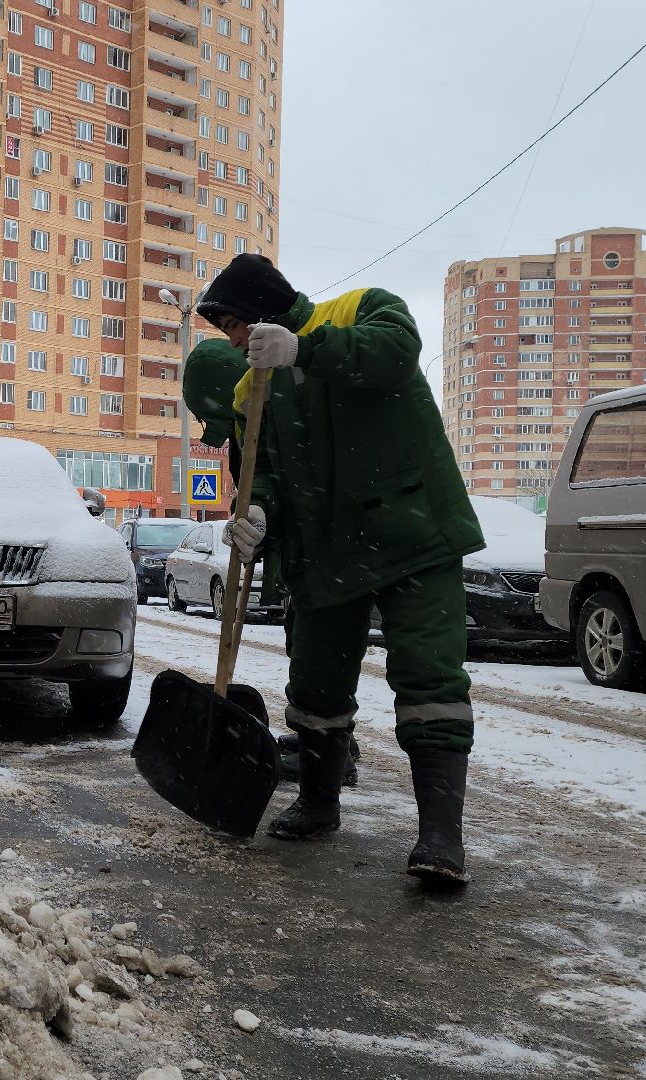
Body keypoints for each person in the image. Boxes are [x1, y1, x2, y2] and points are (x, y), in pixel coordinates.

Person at [194, 253, 485, 885]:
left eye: (237, 324)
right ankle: (319, 802)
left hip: (413, 531)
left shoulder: (363, 309)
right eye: (226, 332)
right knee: (318, 681)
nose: (236, 340)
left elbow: (395, 354)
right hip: (327, 550)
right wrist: (261, 516)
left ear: (263, 308)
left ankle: (440, 835)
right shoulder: (252, 390)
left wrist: (305, 347)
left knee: (429, 676)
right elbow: (262, 470)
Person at [181, 336, 361, 789]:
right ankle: (313, 742)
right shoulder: (245, 426)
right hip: (294, 555)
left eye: (208, 411)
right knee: (299, 642)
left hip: (321, 555)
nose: (210, 425)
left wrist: (263, 513)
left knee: (317, 653)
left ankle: (335, 755)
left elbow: (289, 485)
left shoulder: (269, 419)